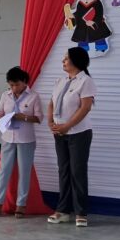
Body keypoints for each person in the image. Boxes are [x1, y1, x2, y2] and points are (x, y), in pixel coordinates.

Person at [47, 47, 96, 227]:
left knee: (77, 171)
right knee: (64, 170)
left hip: (79, 133)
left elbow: (85, 107)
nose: (63, 61)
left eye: (66, 58)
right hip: (60, 133)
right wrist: (50, 122)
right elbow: (51, 103)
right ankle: (63, 211)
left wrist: (67, 126)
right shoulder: (60, 81)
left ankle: (81, 212)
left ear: (76, 61)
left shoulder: (86, 81)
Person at [0, 66, 43, 218]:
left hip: (26, 139)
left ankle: (21, 205)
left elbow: (39, 118)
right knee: (4, 171)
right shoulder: (5, 95)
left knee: (24, 172)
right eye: (11, 85)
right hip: (8, 138)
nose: (14, 88)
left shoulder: (33, 96)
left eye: (17, 84)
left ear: (24, 82)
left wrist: (24, 117)